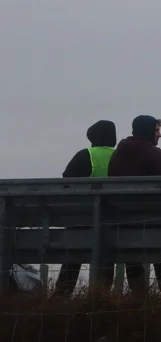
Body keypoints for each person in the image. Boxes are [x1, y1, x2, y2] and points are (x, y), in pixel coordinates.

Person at [108, 115, 161, 295]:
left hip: (124, 223)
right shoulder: (154, 154)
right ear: (148, 131)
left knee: (133, 256)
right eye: (157, 130)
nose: (159, 135)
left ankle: (138, 298)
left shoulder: (118, 153)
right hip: (153, 222)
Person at [55, 120, 117, 296]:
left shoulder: (85, 155)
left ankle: (62, 294)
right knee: (107, 260)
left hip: (81, 220)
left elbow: (67, 180)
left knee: (72, 258)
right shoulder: (120, 155)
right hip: (112, 221)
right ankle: (102, 295)